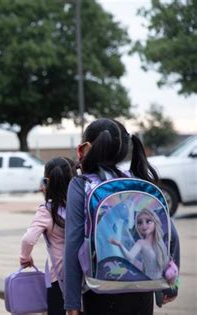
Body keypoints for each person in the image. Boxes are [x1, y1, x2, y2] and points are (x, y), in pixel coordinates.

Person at [64, 118, 180, 315]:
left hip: (100, 289)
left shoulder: (80, 184)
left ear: (85, 147)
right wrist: (171, 283)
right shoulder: (138, 180)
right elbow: (172, 237)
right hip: (142, 288)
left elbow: (73, 244)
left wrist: (72, 303)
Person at [20, 157, 76, 315]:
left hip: (57, 276)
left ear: (47, 181)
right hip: (83, 273)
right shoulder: (81, 205)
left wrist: (25, 257)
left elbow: (29, 238)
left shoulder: (46, 210)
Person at [109, 208, 168, 280]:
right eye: (140, 223)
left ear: (155, 223)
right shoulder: (140, 243)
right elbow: (129, 256)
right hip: (149, 281)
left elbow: (166, 262)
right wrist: (119, 245)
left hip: (161, 281)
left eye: (148, 221)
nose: (144, 225)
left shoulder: (159, 242)